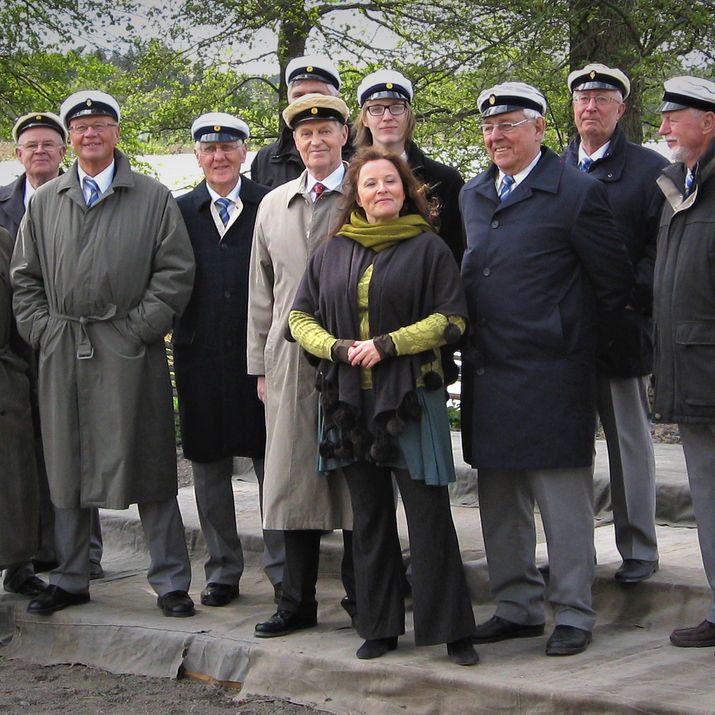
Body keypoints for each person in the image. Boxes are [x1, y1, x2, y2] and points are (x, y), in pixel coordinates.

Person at [460, 82, 632, 656]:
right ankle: (516, 606)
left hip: (552, 375)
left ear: (538, 128)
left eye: (508, 125)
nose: (496, 136)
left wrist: (569, 343)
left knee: (564, 507)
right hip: (490, 372)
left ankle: (575, 612)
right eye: (489, 127)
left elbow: (612, 285)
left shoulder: (576, 191)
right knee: (501, 501)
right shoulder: (473, 194)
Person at [289, 148, 478, 665]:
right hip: (348, 403)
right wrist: (334, 348)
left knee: (428, 515)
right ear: (357, 195)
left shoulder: (429, 247)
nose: (381, 190)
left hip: (410, 400)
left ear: (406, 189)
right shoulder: (331, 251)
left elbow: (452, 318)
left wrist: (390, 344)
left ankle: (452, 631)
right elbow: (299, 318)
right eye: (370, 184)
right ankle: (379, 626)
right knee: (369, 518)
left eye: (390, 182)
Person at [11, 90, 196, 617]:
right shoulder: (45, 202)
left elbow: (175, 272)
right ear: (71, 137)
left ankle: (170, 582)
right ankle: (71, 576)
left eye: (101, 125)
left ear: (117, 132)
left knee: (150, 462)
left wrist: (139, 329)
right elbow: (25, 280)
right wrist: (45, 331)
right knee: (67, 463)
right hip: (64, 350)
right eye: (81, 126)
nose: (90, 134)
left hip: (130, 350)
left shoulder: (153, 197)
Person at [248, 94, 354, 637]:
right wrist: (260, 366)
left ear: (344, 135)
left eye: (326, 130)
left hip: (353, 353)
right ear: (294, 141)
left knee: (357, 479)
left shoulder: (365, 192)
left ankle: (365, 597)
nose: (316, 140)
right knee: (292, 478)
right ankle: (295, 602)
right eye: (306, 133)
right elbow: (260, 291)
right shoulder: (273, 204)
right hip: (289, 358)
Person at [173, 112, 284, 607]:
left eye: (228, 147)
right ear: (197, 155)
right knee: (208, 465)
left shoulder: (270, 203)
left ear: (244, 152)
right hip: (199, 357)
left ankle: (284, 570)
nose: (219, 157)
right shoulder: (178, 210)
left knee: (270, 464)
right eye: (209, 149)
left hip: (259, 356)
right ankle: (221, 569)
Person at [563, 63, 668, 583]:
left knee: (629, 446)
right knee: (567, 449)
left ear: (621, 109)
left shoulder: (652, 171)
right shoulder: (552, 169)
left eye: (603, 99)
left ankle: (639, 548)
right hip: (564, 335)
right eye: (583, 99)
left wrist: (630, 299)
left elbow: (662, 247)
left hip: (622, 330)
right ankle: (574, 552)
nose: (591, 107)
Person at [0, 112, 103, 596]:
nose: (39, 151)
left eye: (48, 143)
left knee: (74, 449)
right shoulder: (3, 208)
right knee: (19, 461)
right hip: (16, 352)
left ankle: (83, 553)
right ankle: (27, 552)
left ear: (63, 150)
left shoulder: (82, 194)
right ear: (17, 153)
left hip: (64, 345)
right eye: (30, 145)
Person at [650, 76, 715, 649]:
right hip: (693, 376)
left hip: (709, 371)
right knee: (709, 499)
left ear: (709, 122)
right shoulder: (680, 187)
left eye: (675, 116)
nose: (664, 127)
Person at [355, 69, 465, 264]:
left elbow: (457, 255)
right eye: (376, 109)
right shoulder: (351, 177)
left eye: (397, 107)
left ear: (408, 115)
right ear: (364, 118)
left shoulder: (445, 181)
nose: (387, 116)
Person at [0, 225, 40, 590]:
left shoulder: (2, 240)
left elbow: (18, 310)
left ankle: (18, 565)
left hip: (6, 379)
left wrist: (24, 376)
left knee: (14, 481)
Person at [250, 55, 353, 188]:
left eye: (316, 94)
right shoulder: (266, 159)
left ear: (336, 98)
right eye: (298, 95)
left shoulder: (363, 151)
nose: (307, 101)